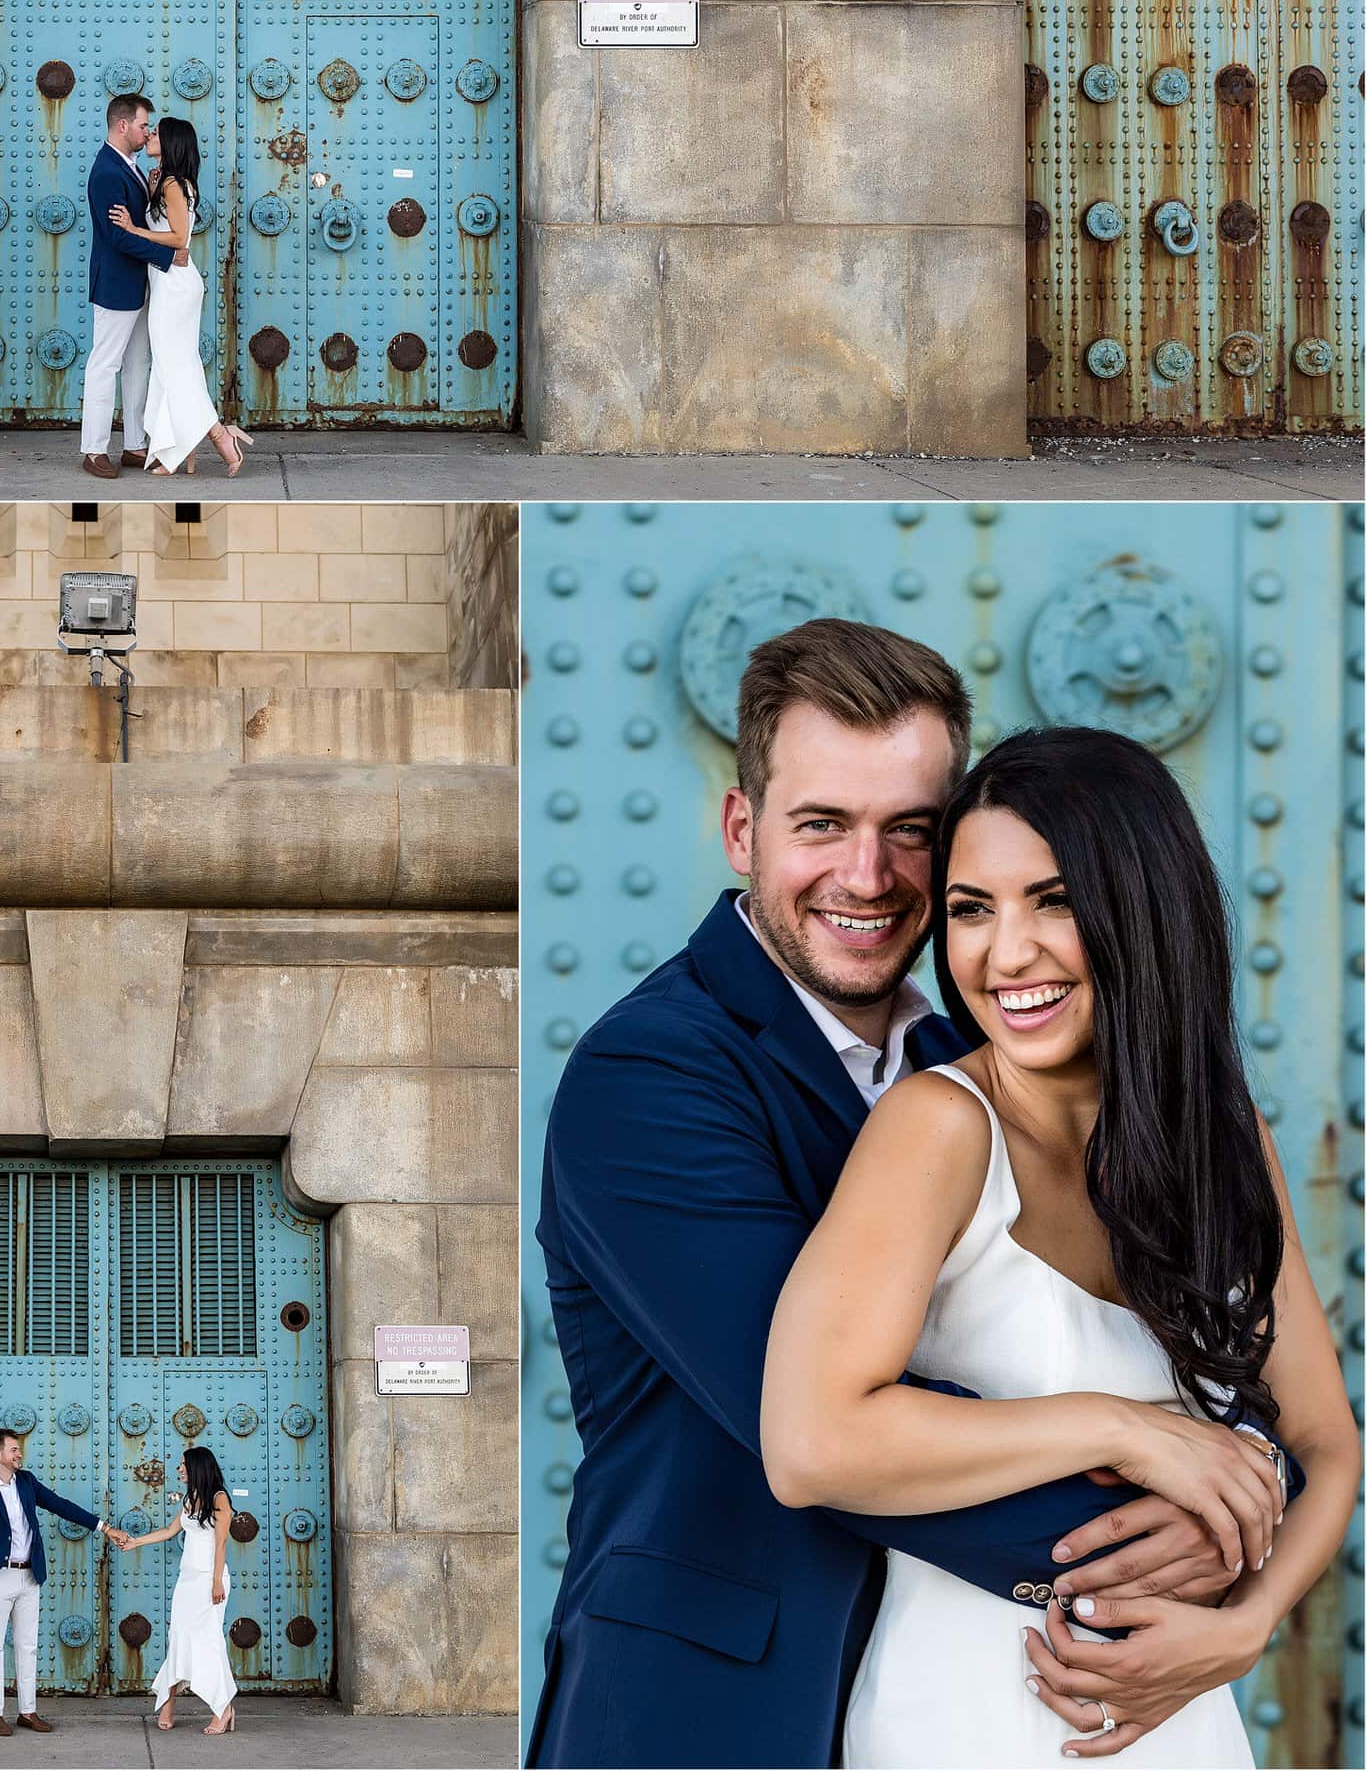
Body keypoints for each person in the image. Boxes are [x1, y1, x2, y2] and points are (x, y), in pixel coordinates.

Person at [526, 620, 1306, 1771]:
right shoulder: (649, 1074)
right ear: (741, 830)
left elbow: (1237, 1373)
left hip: (980, 1695)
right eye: (821, 825)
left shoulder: (993, 1064)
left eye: (911, 832)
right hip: (711, 1711)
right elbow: (814, 1427)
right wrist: (1193, 1533)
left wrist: (1246, 1495)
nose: (868, 875)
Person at [763, 724, 1358, 1765]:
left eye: (1054, 901)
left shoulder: (1222, 1141)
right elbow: (811, 1443)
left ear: (1141, 906)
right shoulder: (939, 1128)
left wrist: (1247, 1624)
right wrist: (1121, 1430)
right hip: (961, 1719)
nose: (1005, 955)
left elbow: (1324, 1440)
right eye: (970, 909)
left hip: (1178, 1720)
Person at [0, 1425, 133, 1739]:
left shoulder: (26, 1482)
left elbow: (60, 1505)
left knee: (27, 1646)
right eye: (14, 1449)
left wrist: (105, 1528)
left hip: (30, 1576)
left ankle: (27, 1711)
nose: (19, 1454)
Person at [106, 116, 250, 477]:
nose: (149, 136)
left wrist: (133, 229)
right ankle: (173, 449)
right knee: (171, 368)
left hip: (174, 285)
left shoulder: (173, 184)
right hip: (168, 282)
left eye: (156, 133)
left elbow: (178, 238)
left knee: (175, 367)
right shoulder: (166, 180)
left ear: (170, 142)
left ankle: (221, 437)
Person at [78, 92, 187, 481]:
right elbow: (116, 236)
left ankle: (135, 444)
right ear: (123, 125)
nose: (147, 132)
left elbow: (139, 221)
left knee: (138, 363)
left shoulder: (133, 167)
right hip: (116, 284)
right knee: (105, 364)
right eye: (143, 125)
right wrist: (167, 256)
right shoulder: (107, 171)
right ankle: (94, 449)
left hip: (140, 284)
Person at [124, 1444, 239, 1735]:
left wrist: (216, 1581)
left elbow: (221, 1543)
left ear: (197, 1467)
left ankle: (223, 1708)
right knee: (178, 1638)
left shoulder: (219, 1498)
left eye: (183, 1465)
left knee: (208, 1641)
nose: (179, 1469)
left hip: (209, 1580)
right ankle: (169, 1701)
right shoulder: (191, 1498)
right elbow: (169, 1531)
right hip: (187, 1582)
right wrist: (137, 1542)